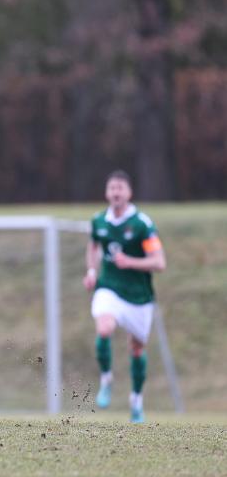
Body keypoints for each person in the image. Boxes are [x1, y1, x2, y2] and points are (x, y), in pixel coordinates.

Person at [83, 170, 166, 424]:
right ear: (107, 193)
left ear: (129, 193)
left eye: (120, 188)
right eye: (112, 188)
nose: (116, 193)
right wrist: (91, 271)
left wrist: (129, 261)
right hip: (109, 287)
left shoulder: (142, 224)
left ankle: (136, 401)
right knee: (104, 328)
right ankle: (106, 379)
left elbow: (159, 262)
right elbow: (94, 246)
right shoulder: (98, 221)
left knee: (137, 348)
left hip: (138, 296)